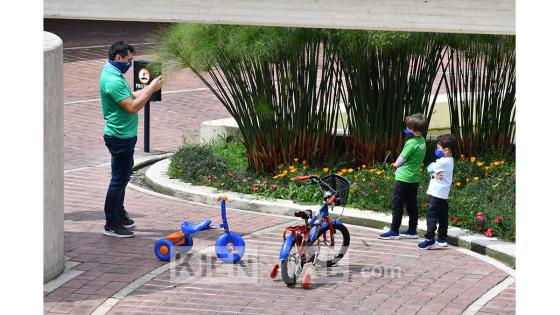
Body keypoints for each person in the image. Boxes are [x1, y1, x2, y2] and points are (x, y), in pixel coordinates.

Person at [100, 40, 162, 237]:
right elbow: (132, 107)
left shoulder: (113, 73)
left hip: (124, 136)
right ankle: (112, 223)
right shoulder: (113, 80)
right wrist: (150, 89)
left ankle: (119, 213)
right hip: (119, 137)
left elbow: (129, 96)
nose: (130, 63)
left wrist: (147, 89)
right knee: (118, 179)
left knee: (123, 176)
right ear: (118, 57)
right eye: (128, 59)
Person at [379, 113, 428, 240]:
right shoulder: (422, 141)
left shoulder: (411, 143)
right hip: (414, 178)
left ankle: (394, 230)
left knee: (397, 204)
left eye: (408, 127)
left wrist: (395, 165)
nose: (406, 129)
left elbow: (402, 158)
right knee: (412, 204)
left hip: (403, 178)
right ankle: (412, 230)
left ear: (415, 131)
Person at [418, 134, 456, 249]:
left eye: (438, 148)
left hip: (436, 193)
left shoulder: (443, 161)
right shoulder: (450, 160)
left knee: (432, 215)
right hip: (443, 194)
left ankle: (429, 239)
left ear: (446, 150)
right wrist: (433, 174)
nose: (436, 151)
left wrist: (432, 172)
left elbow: (429, 167)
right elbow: (432, 170)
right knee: (443, 216)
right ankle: (442, 238)